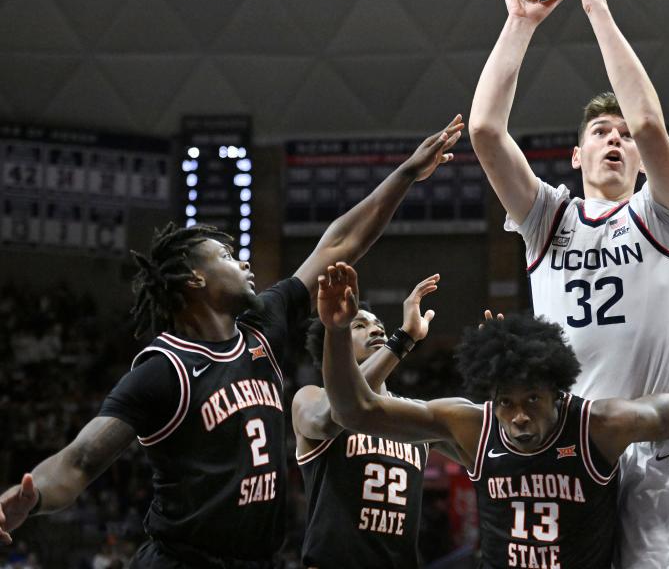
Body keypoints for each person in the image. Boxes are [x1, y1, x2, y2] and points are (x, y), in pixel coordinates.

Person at [0, 117, 464, 568]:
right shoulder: (165, 368)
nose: (242, 262)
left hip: (256, 559)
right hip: (182, 558)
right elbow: (80, 460)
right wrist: (31, 497)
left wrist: (406, 174)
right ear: (193, 278)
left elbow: (338, 244)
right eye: (224, 255)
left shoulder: (264, 323)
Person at [468, 0, 669, 568]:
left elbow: (651, 123)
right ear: (576, 153)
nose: (617, 140)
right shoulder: (548, 217)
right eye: (601, 130)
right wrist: (520, 22)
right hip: (563, 446)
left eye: (623, 134)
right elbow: (486, 130)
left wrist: (596, 5)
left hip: (651, 450)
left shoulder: (664, 215)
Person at [316, 262, 669, 569]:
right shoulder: (474, 426)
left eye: (532, 400)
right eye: (506, 402)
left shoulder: (596, 426)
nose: (519, 416)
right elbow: (353, 411)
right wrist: (335, 333)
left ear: (559, 394)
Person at [293, 275, 443, 569]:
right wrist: (403, 339)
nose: (375, 328)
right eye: (359, 325)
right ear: (332, 343)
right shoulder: (310, 398)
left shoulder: (414, 413)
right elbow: (340, 412)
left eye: (379, 326)